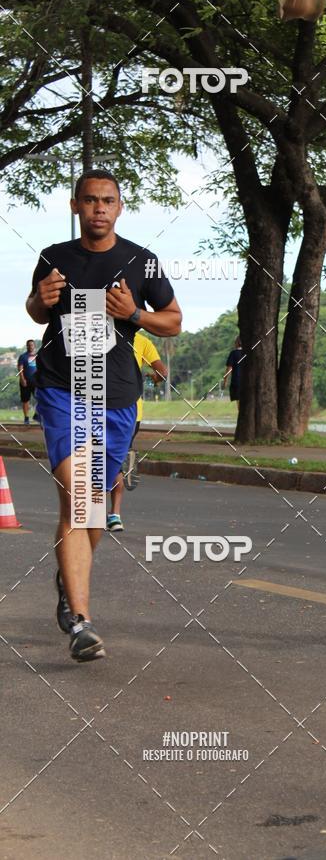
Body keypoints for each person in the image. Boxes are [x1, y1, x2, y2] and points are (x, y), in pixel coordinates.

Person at [26, 168, 181, 662]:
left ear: (119, 207)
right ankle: (81, 621)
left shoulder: (142, 260)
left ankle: (66, 579)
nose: (98, 208)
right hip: (61, 390)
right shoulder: (55, 257)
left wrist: (134, 314)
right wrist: (38, 300)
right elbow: (36, 310)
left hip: (115, 397)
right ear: (76, 206)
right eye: (90, 200)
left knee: (93, 510)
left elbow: (173, 322)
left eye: (107, 201)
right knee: (80, 501)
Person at [107, 331, 168, 531]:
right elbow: (162, 373)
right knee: (114, 461)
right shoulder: (142, 340)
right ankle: (114, 515)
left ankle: (103, 512)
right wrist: (149, 381)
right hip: (131, 412)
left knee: (98, 458)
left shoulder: (94, 334)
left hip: (96, 408)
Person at [17, 339, 37, 423]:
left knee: (40, 399)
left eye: (32, 345)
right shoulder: (23, 356)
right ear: (27, 346)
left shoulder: (38, 356)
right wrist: (22, 379)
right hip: (25, 382)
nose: (30, 346)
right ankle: (26, 418)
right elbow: (20, 368)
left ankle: (37, 415)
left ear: (34, 346)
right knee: (25, 400)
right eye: (29, 345)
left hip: (36, 382)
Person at [223, 336, 244, 409]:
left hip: (237, 381)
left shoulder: (233, 353)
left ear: (236, 343)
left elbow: (229, 368)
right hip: (247, 382)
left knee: (239, 404)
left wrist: (225, 381)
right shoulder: (247, 353)